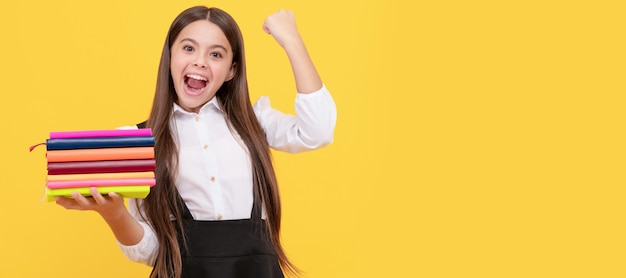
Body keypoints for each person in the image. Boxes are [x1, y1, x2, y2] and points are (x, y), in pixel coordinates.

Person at [55, 5, 336, 278]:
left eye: (216, 54)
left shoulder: (255, 122)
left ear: (231, 70)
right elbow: (151, 252)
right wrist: (113, 213)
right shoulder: (136, 141)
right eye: (188, 48)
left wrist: (291, 41)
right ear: (169, 57)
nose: (200, 61)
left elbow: (318, 131)